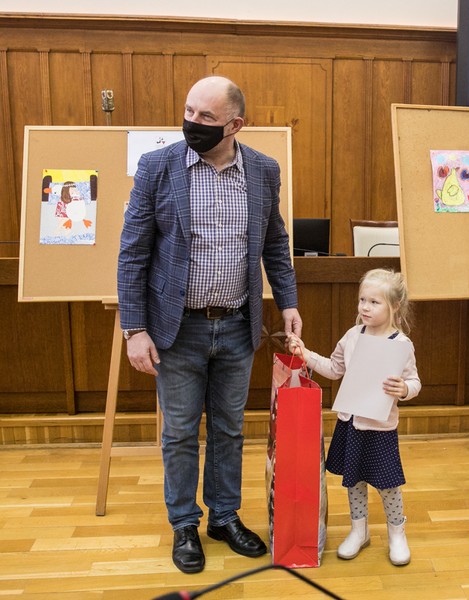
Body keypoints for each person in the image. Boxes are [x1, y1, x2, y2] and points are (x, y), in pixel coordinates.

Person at [117, 75, 302, 574]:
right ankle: (184, 525)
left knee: (229, 429)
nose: (192, 123)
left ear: (235, 125)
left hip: (238, 325)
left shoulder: (263, 170)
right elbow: (132, 254)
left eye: (205, 117)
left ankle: (223, 517)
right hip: (176, 330)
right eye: (189, 111)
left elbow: (274, 242)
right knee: (179, 433)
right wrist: (134, 329)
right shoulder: (157, 167)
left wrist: (288, 301)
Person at [288, 268, 420, 566]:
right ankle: (359, 530)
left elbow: (414, 381)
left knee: (388, 484)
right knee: (354, 481)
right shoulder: (352, 336)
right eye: (362, 300)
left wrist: (404, 389)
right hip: (350, 424)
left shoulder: (401, 344)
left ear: (394, 306)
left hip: (381, 428)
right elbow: (335, 369)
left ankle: (397, 533)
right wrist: (306, 354)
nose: (365, 307)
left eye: (374, 302)